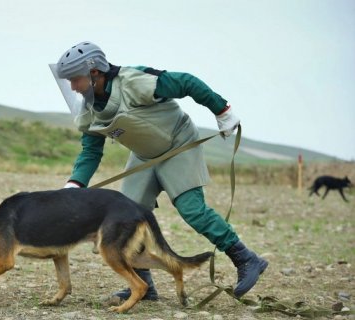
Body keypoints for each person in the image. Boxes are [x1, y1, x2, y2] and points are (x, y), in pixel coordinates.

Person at [49, 41, 268, 300]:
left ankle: (246, 259)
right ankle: (145, 286)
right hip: (144, 157)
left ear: (94, 72)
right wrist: (74, 186)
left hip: (179, 144)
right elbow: (90, 152)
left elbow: (186, 82)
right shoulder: (88, 111)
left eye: (75, 80)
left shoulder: (134, 81)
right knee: (125, 218)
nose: (73, 87)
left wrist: (222, 110)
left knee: (192, 210)